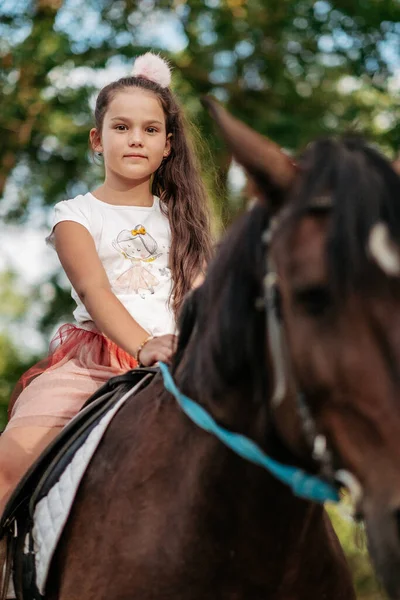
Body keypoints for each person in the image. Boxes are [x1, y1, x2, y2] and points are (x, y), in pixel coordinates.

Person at [0, 52, 213, 516]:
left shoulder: (183, 221)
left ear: (168, 145)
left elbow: (200, 295)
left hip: (183, 357)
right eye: (122, 128)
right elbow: (96, 292)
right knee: (9, 461)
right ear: (98, 139)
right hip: (96, 361)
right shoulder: (75, 216)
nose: (136, 139)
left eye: (150, 130)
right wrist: (145, 346)